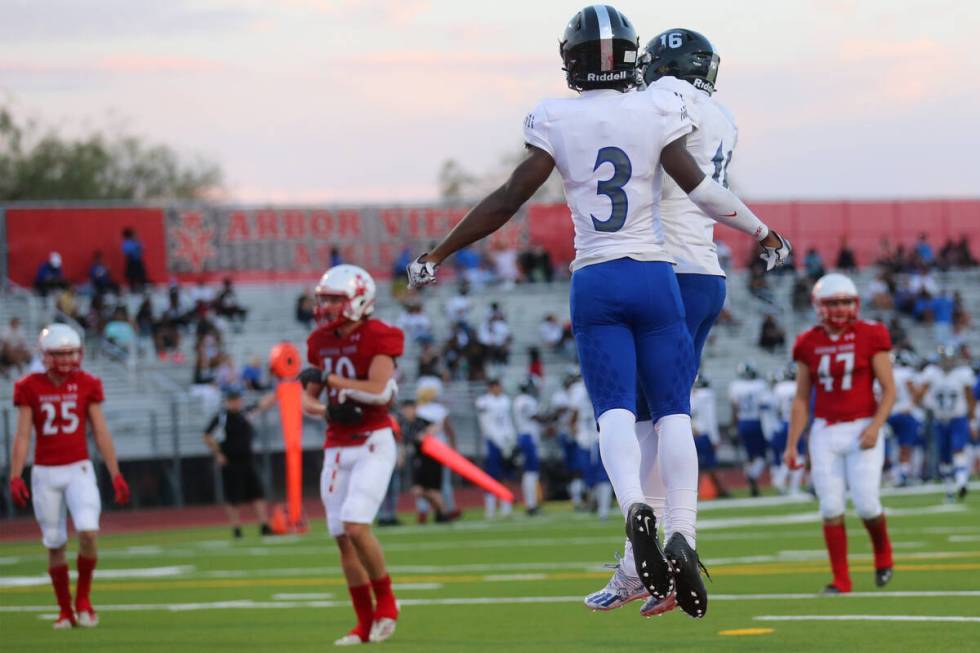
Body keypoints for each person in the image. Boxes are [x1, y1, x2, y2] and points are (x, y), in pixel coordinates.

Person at [406, 6, 791, 619]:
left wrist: (439, 251)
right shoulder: (691, 111)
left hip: (616, 273)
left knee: (623, 414)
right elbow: (700, 188)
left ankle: (641, 530)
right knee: (669, 414)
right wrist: (764, 231)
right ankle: (677, 537)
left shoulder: (579, 112)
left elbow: (509, 198)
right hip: (673, 275)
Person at [300, 264, 403, 645]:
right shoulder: (320, 341)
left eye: (333, 300)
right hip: (337, 444)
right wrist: (326, 409)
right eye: (323, 299)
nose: (325, 307)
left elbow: (379, 389)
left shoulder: (380, 335)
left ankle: (387, 601)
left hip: (373, 440)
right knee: (342, 536)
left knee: (357, 525)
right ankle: (364, 623)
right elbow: (305, 399)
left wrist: (334, 382)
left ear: (359, 300)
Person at [8, 324, 131, 629]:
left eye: (70, 353)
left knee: (88, 532)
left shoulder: (88, 383)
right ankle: (65, 610)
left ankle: (84, 599)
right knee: (55, 542)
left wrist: (115, 472)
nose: (66, 360)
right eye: (59, 354)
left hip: (79, 468)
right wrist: (15, 475)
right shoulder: (28, 386)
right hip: (45, 472)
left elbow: (100, 431)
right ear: (46, 356)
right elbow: (23, 435)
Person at [785, 272, 897, 594]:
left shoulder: (871, 334)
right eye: (833, 303)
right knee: (830, 507)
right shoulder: (808, 341)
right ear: (819, 306)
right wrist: (792, 444)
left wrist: (876, 426)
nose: (840, 308)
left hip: (862, 425)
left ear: (856, 303)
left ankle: (883, 555)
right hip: (824, 430)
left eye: (846, 302)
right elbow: (802, 398)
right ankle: (841, 580)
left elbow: (889, 390)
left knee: (866, 503)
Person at [202, 386, 276, 537]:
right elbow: (207, 435)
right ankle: (236, 528)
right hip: (230, 461)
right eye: (233, 400)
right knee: (233, 497)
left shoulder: (245, 414)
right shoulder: (221, 417)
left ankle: (263, 525)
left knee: (257, 493)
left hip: (247, 459)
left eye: (238, 400)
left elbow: (262, 405)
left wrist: (280, 391)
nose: (236, 403)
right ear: (228, 401)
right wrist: (218, 454)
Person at [916, 348, 977, 500]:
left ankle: (961, 482)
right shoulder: (932, 373)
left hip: (958, 418)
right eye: (945, 359)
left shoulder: (963, 374)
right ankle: (950, 489)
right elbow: (919, 395)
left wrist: (972, 420)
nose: (948, 362)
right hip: (940, 420)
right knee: (944, 457)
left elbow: (970, 398)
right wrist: (926, 405)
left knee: (958, 449)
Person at [475, 379, 516, 519]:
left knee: (507, 474)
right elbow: (486, 424)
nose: (500, 389)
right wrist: (498, 441)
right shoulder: (484, 401)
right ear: (491, 387)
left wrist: (510, 440)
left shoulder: (505, 400)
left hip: (506, 441)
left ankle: (506, 505)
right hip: (493, 442)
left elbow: (508, 421)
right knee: (492, 475)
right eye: (497, 386)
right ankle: (490, 507)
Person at [729, 363, 769, 497]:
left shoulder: (735, 386)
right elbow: (764, 406)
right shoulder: (760, 385)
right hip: (757, 421)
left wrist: (733, 426)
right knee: (761, 455)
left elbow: (734, 408)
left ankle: (752, 480)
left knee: (749, 456)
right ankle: (753, 474)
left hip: (742, 422)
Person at [888, 350, 925, 486]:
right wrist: (914, 403)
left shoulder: (885, 373)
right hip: (905, 413)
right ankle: (903, 474)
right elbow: (915, 393)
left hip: (888, 414)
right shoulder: (906, 373)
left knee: (894, 446)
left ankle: (896, 473)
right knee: (906, 445)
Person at [769, 364, 807, 495]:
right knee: (799, 455)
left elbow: (774, 408)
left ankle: (780, 479)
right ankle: (793, 487)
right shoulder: (799, 386)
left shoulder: (778, 388)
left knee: (789, 453)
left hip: (782, 423)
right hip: (796, 423)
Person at [513, 378, 544, 515]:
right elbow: (535, 417)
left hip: (523, 436)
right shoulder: (527, 401)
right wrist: (551, 417)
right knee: (531, 471)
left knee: (529, 472)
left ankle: (531, 503)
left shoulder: (517, 400)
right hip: (528, 437)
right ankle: (531, 504)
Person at [121, 228, 148, 292]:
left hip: (138, 260)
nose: (135, 235)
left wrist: (138, 243)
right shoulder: (126, 243)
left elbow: (143, 248)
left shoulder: (136, 241)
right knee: (132, 276)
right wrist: (135, 248)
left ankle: (142, 288)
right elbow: (127, 252)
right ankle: (132, 289)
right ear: (130, 235)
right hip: (131, 261)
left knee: (141, 275)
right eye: (133, 234)